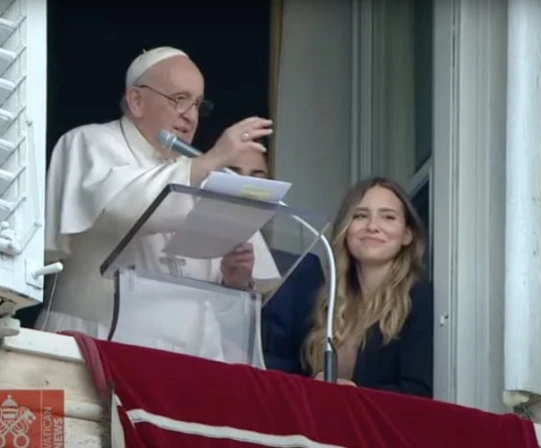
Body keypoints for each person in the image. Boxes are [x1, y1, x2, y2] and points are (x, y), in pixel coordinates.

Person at [38, 46, 280, 339]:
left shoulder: (199, 169)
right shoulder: (89, 142)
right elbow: (120, 208)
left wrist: (234, 281)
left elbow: (239, 290)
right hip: (96, 342)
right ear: (137, 100)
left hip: (184, 354)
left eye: (197, 104)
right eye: (180, 100)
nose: (191, 116)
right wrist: (212, 160)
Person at [302, 177, 433, 398]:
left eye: (388, 217)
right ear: (345, 228)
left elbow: (418, 393)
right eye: (360, 216)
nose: (372, 227)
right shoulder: (327, 302)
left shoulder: (420, 299)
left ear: (407, 235)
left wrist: (356, 395)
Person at [223, 148, 324, 374]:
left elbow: (310, 363)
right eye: (232, 175)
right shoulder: (188, 260)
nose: (245, 188)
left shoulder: (302, 270)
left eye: (257, 179)